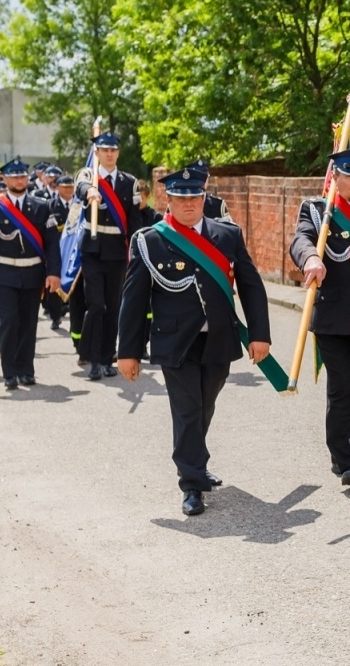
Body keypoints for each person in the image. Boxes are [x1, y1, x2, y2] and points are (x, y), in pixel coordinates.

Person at [116, 165, 272, 516]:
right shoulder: (150, 240)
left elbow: (249, 284)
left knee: (204, 406)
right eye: (181, 198)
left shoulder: (227, 235)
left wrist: (259, 334)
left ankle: (195, 463)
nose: (190, 205)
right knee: (187, 410)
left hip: (217, 339)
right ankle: (191, 483)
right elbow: (134, 300)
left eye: (196, 197)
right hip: (175, 342)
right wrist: (128, 352)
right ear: (168, 200)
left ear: (204, 198)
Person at [288, 147, 350, 485]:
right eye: (349, 175)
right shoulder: (319, 211)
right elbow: (301, 240)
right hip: (334, 318)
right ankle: (343, 458)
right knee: (344, 388)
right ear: (335, 177)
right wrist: (310, 259)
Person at [0, 159, 61, 391]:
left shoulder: (42, 206)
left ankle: (26, 369)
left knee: (28, 323)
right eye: (14, 177)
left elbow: (52, 243)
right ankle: (9, 371)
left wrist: (54, 273)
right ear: (5, 179)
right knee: (9, 321)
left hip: (33, 273)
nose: (19, 180)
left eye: (23, 176)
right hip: (4, 273)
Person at [74, 133, 144, 380]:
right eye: (104, 150)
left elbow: (134, 220)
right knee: (96, 305)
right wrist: (90, 192)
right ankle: (92, 358)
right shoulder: (88, 175)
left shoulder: (129, 182)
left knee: (113, 308)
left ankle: (106, 358)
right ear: (97, 153)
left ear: (118, 153)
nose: (109, 154)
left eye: (113, 150)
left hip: (117, 252)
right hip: (92, 250)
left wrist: (136, 251)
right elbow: (79, 187)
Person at [43, 175, 78, 331]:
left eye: (71, 187)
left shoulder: (79, 206)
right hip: (57, 250)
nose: (68, 190)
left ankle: (73, 313)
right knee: (55, 284)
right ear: (57, 188)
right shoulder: (50, 206)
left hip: (75, 251)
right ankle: (55, 316)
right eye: (65, 187)